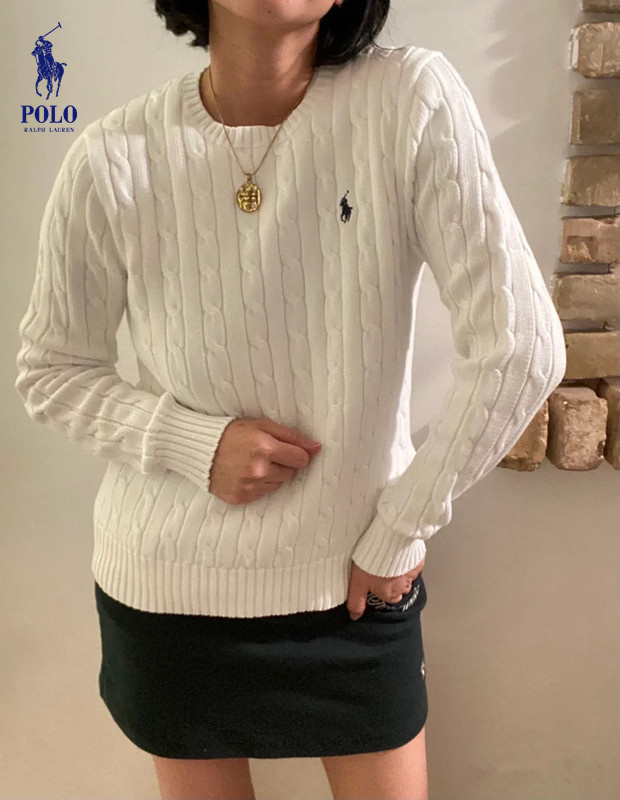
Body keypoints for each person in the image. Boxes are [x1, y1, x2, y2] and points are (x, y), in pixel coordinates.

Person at [14, 0, 567, 798]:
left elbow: (522, 347)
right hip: (169, 592)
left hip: (355, 587)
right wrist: (191, 442)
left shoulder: (408, 100)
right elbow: (51, 370)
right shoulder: (111, 156)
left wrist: (401, 527)